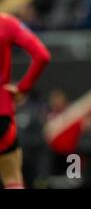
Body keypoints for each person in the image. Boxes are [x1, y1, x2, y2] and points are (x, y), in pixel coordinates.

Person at [0, 13, 51, 188]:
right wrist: (23, 88)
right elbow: (42, 56)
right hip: (2, 111)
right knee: (12, 178)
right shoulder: (6, 23)